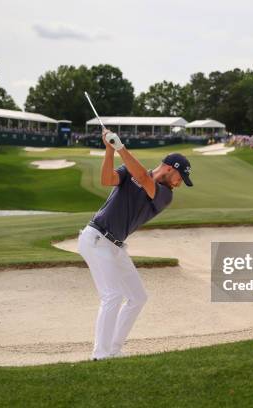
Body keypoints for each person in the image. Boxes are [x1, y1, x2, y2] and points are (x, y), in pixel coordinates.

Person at [78, 128, 193, 361]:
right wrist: (110, 149)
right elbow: (107, 179)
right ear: (171, 169)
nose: (180, 183)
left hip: (115, 246)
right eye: (180, 178)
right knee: (112, 295)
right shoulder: (129, 172)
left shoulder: (165, 194)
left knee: (137, 297)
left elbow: (142, 179)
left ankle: (114, 349)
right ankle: (100, 355)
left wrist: (121, 147)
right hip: (96, 238)